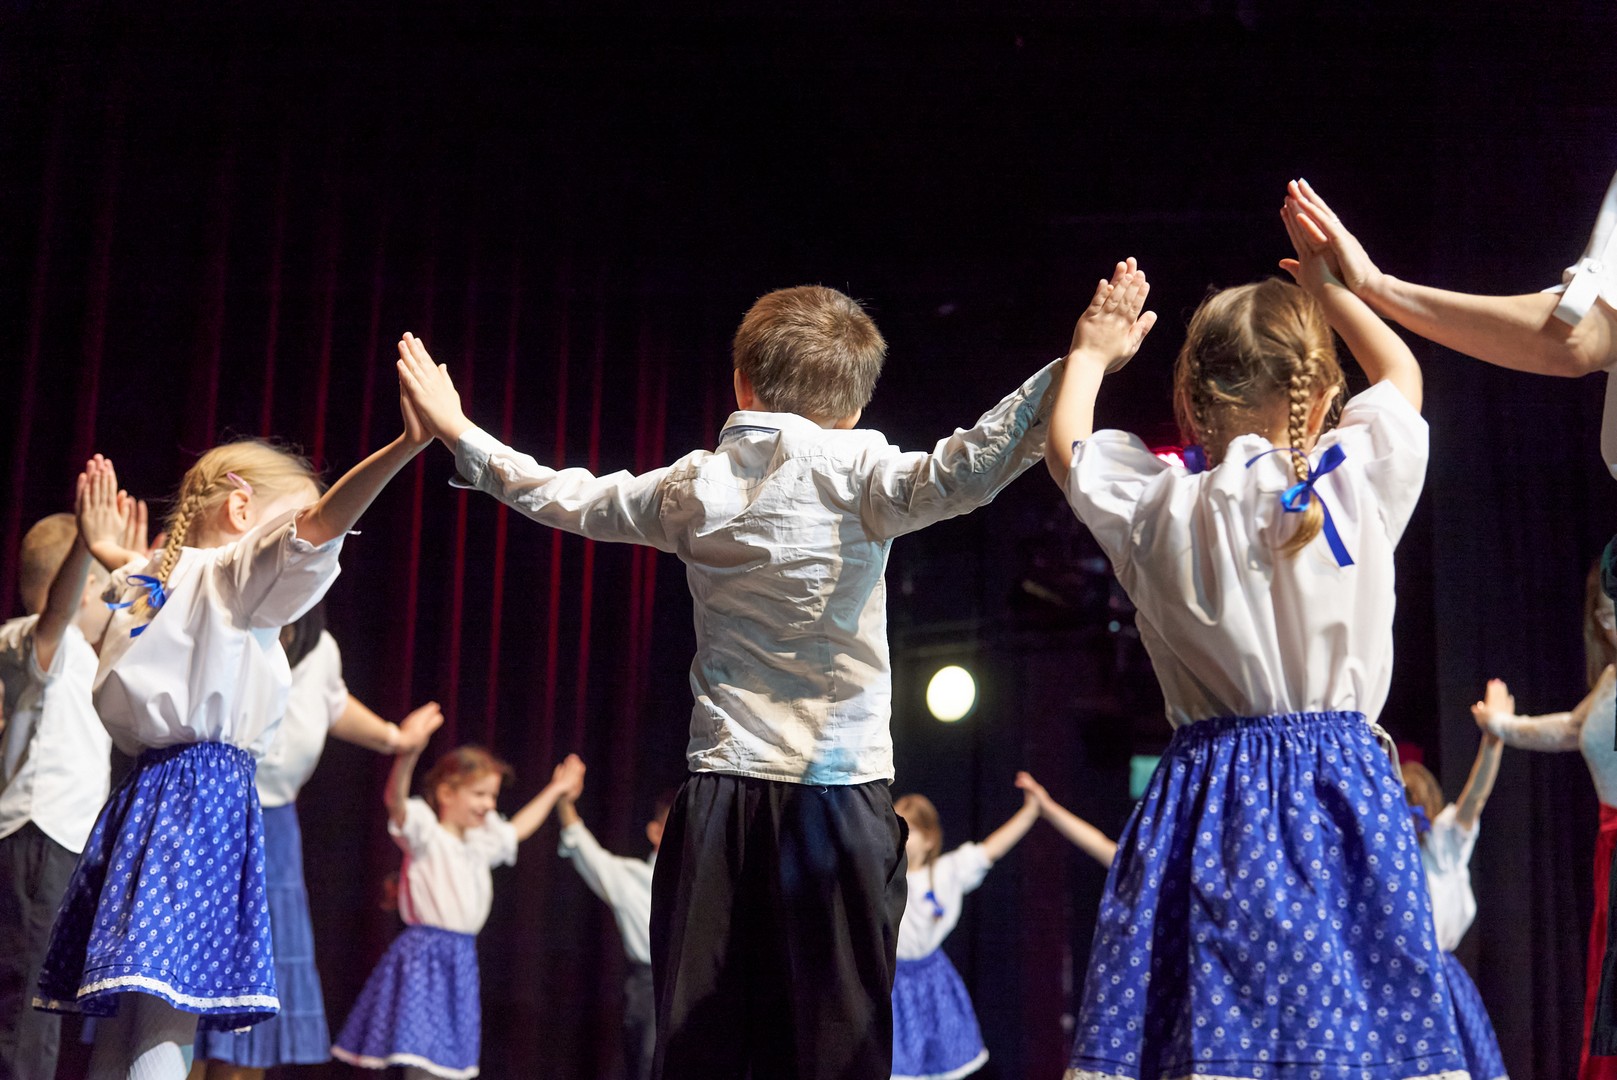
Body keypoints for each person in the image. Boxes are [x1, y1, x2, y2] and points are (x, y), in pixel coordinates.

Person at [394, 280, 1061, 1079]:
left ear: (741, 385)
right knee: (837, 1047)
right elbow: (972, 463)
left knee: (703, 1050)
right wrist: (1076, 367)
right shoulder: (862, 472)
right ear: (852, 407)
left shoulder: (694, 486)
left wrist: (459, 431)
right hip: (837, 795)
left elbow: (563, 495)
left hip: (722, 795)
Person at [1047, 185, 1462, 1079]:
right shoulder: (1350, 480)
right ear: (1318, 395)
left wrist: (1090, 352)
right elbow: (1401, 378)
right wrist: (1334, 288)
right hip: (1343, 800)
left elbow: (1069, 447)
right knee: (1355, 1044)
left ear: (1194, 402)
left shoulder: (1163, 505)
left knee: (1212, 1041)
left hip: (1208, 800)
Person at [35, 400, 430, 1080]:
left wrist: (109, 552)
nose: (301, 536)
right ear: (241, 510)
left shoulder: (151, 582)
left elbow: (145, 582)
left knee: (134, 1001)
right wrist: (404, 446)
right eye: (291, 518)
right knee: (169, 1005)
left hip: (147, 792)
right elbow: (321, 528)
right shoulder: (231, 577)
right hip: (204, 797)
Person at [189, 600, 444, 1080]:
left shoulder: (320, 646)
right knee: (201, 981)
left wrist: (395, 739)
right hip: (218, 818)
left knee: (258, 992)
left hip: (276, 828)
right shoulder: (235, 622)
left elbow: (332, 702)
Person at [330, 745, 583, 1080]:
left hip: (459, 958)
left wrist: (555, 789)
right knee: (420, 1054)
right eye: (479, 794)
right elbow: (396, 803)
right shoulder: (427, 834)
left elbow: (517, 829)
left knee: (446, 1060)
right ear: (446, 793)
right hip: (425, 957)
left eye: (492, 796)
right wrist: (407, 756)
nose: (489, 804)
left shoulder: (479, 843)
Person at [0, 501, 136, 1079]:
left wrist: (134, 560)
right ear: (84, 589)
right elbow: (57, 613)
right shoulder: (32, 640)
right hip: (37, 839)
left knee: (43, 1003)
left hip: (62, 846)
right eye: (107, 588)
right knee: (25, 1009)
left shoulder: (84, 654)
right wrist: (88, 542)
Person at [1471, 563, 1617, 1079]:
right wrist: (1503, 725)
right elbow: (1573, 729)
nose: (1611, 626)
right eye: (1604, 616)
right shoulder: (1610, 681)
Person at [889, 777, 1039, 1080]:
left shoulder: (946, 872)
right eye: (897, 826)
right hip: (893, 981)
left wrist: (1031, 811)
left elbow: (990, 850)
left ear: (929, 838)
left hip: (933, 980)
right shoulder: (883, 879)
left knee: (941, 1061)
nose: (902, 835)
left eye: (911, 829)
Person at [1402, 732, 1507, 1080]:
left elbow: (1474, 798)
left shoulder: (1442, 843)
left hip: (1437, 980)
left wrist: (1493, 740)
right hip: (1397, 978)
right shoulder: (1387, 856)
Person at [554, 762, 666, 1080]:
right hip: (650, 987)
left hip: (697, 988)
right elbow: (583, 848)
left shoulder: (706, 883)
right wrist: (564, 802)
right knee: (647, 1066)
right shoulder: (633, 878)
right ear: (655, 832)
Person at [1012, 773, 1116, 868]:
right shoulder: (1123, 861)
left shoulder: (1124, 865)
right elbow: (1102, 847)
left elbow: (1104, 849)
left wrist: (1045, 807)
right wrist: (1046, 806)